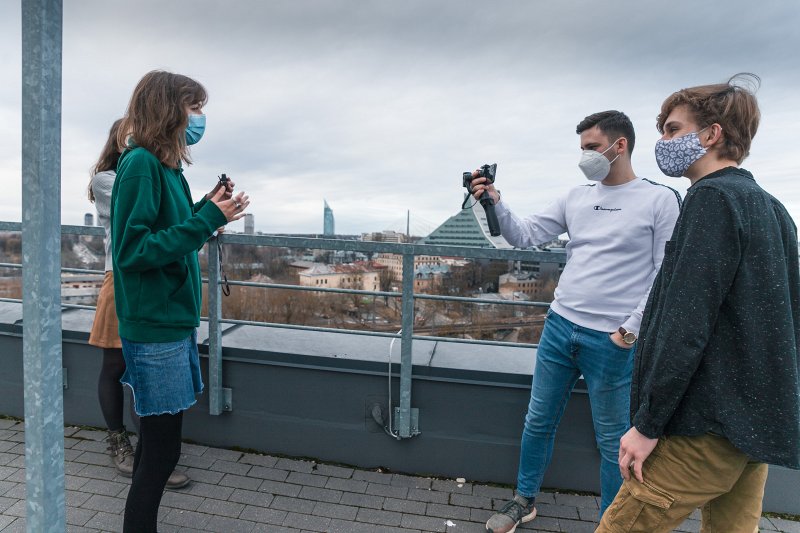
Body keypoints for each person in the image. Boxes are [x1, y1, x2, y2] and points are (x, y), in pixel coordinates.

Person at [597, 74, 799, 533]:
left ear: (711, 135)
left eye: (671, 129)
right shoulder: (770, 206)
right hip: (750, 427)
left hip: (704, 427)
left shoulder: (710, 201)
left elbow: (684, 326)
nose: (662, 140)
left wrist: (647, 425)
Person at [473, 111, 682, 533]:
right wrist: (494, 200)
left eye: (591, 147)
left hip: (612, 341)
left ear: (618, 145)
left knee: (613, 442)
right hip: (560, 327)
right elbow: (525, 234)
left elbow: (667, 273)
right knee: (537, 421)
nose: (585, 156)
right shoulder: (576, 197)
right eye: (583, 148)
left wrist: (630, 330)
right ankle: (524, 501)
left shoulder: (660, 200)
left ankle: (611, 523)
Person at [111, 70, 250, 532]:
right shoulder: (140, 164)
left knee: (157, 446)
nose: (200, 118)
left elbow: (169, 229)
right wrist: (204, 219)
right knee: (162, 452)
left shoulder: (167, 168)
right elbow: (132, 252)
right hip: (153, 326)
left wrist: (206, 210)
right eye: (194, 107)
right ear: (169, 108)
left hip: (169, 321)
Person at [87, 119, 190, 489]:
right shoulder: (108, 178)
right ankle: (119, 442)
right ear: (118, 138)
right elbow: (149, 213)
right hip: (121, 280)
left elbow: (167, 215)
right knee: (115, 365)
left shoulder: (153, 170)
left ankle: (152, 454)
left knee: (142, 370)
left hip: (146, 280)